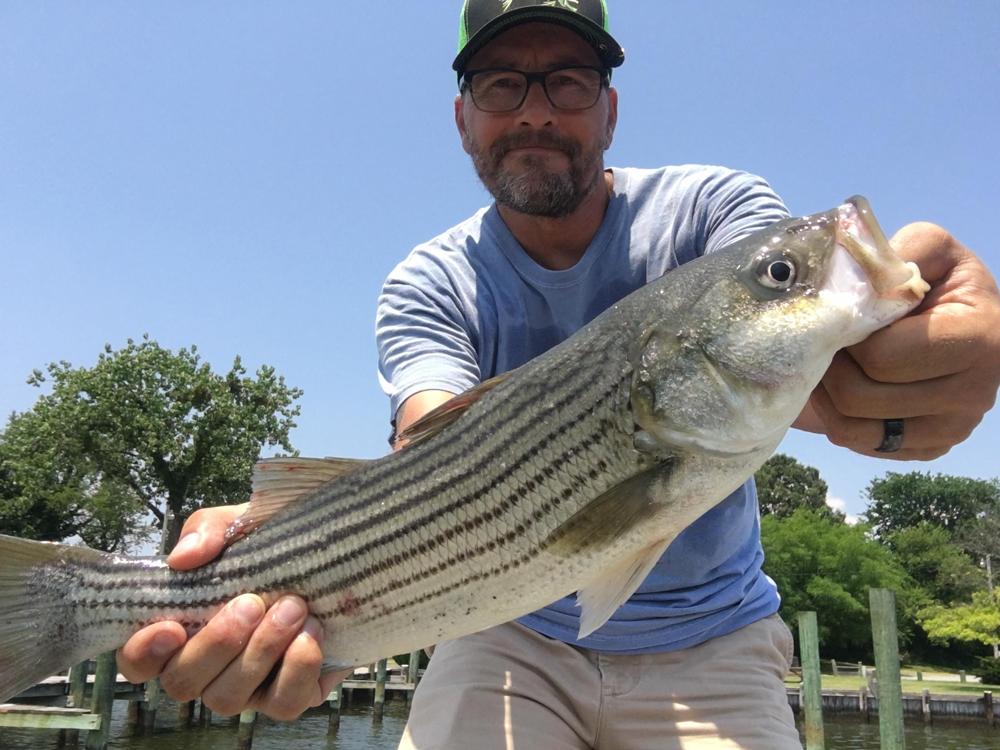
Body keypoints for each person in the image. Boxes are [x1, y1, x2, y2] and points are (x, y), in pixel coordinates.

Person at [118, 1, 1000, 746]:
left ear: (609, 110)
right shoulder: (429, 279)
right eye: (502, 83)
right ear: (462, 117)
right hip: (501, 633)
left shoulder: (714, 209)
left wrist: (896, 379)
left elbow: (814, 359)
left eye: (567, 80)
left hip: (719, 640)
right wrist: (292, 546)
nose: (535, 110)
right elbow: (431, 442)